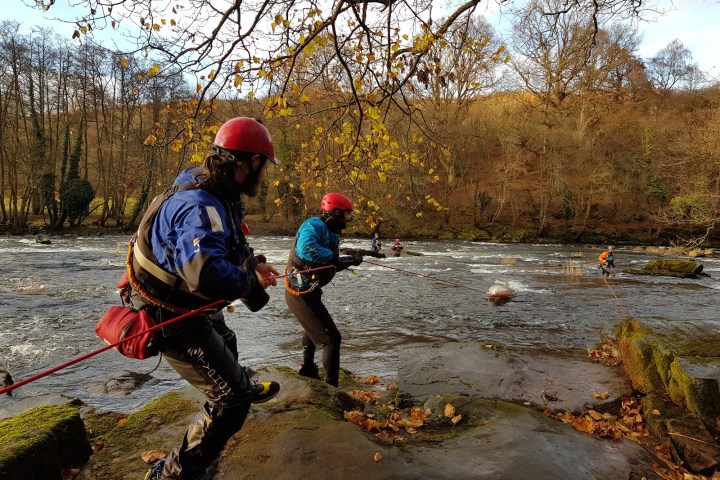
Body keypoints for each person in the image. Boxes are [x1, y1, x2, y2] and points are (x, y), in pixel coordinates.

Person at [127, 117, 282, 480]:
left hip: (188, 303)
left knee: (226, 342)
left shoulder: (216, 188)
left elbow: (225, 245)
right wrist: (245, 282)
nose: (264, 177)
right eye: (263, 166)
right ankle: (173, 473)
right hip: (167, 314)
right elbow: (206, 274)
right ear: (249, 162)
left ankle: (235, 382)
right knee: (233, 400)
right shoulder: (199, 205)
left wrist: (252, 267)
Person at [284, 193, 363, 387]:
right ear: (335, 212)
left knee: (313, 328)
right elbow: (306, 249)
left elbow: (328, 263)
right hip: (298, 292)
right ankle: (331, 387)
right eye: (346, 214)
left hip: (310, 290)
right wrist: (335, 258)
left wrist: (348, 262)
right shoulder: (314, 225)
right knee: (331, 338)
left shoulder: (332, 231)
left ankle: (308, 369)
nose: (348, 218)